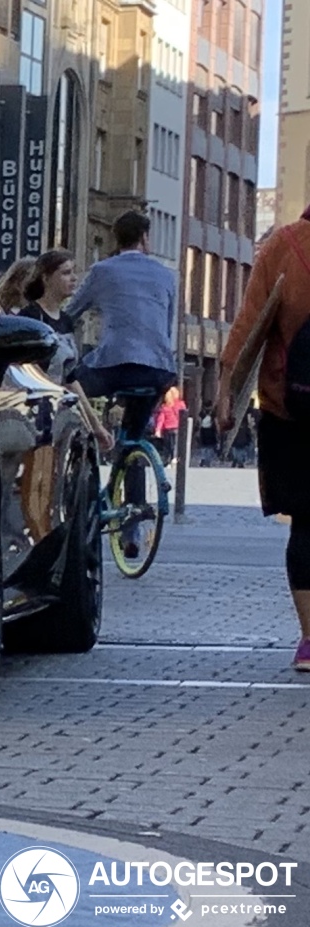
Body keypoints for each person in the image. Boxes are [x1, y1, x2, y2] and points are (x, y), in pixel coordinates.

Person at [217, 199, 310, 672]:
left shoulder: (284, 245)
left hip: (291, 407)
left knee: (307, 525)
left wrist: (226, 390)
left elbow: (250, 322)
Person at [67, 211, 178, 556]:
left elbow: (69, 314)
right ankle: (131, 531)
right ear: (145, 238)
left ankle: (86, 443)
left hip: (113, 367)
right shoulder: (167, 275)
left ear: (116, 239)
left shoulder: (103, 271)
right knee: (135, 438)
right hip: (158, 370)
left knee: (67, 388)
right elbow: (166, 326)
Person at [12, 250, 114, 451]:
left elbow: (71, 378)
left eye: (74, 272)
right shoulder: (30, 316)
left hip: (58, 411)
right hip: (33, 413)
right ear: (46, 278)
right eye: (66, 273)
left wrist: (95, 425)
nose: (74, 278)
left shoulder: (66, 321)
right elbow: (20, 368)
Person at [153, 386, 187, 466]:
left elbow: (161, 419)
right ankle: (174, 458)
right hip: (178, 427)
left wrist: (158, 430)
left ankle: (168, 460)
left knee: (168, 446)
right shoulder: (181, 404)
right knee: (176, 444)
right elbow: (183, 416)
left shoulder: (165, 407)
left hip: (167, 429)